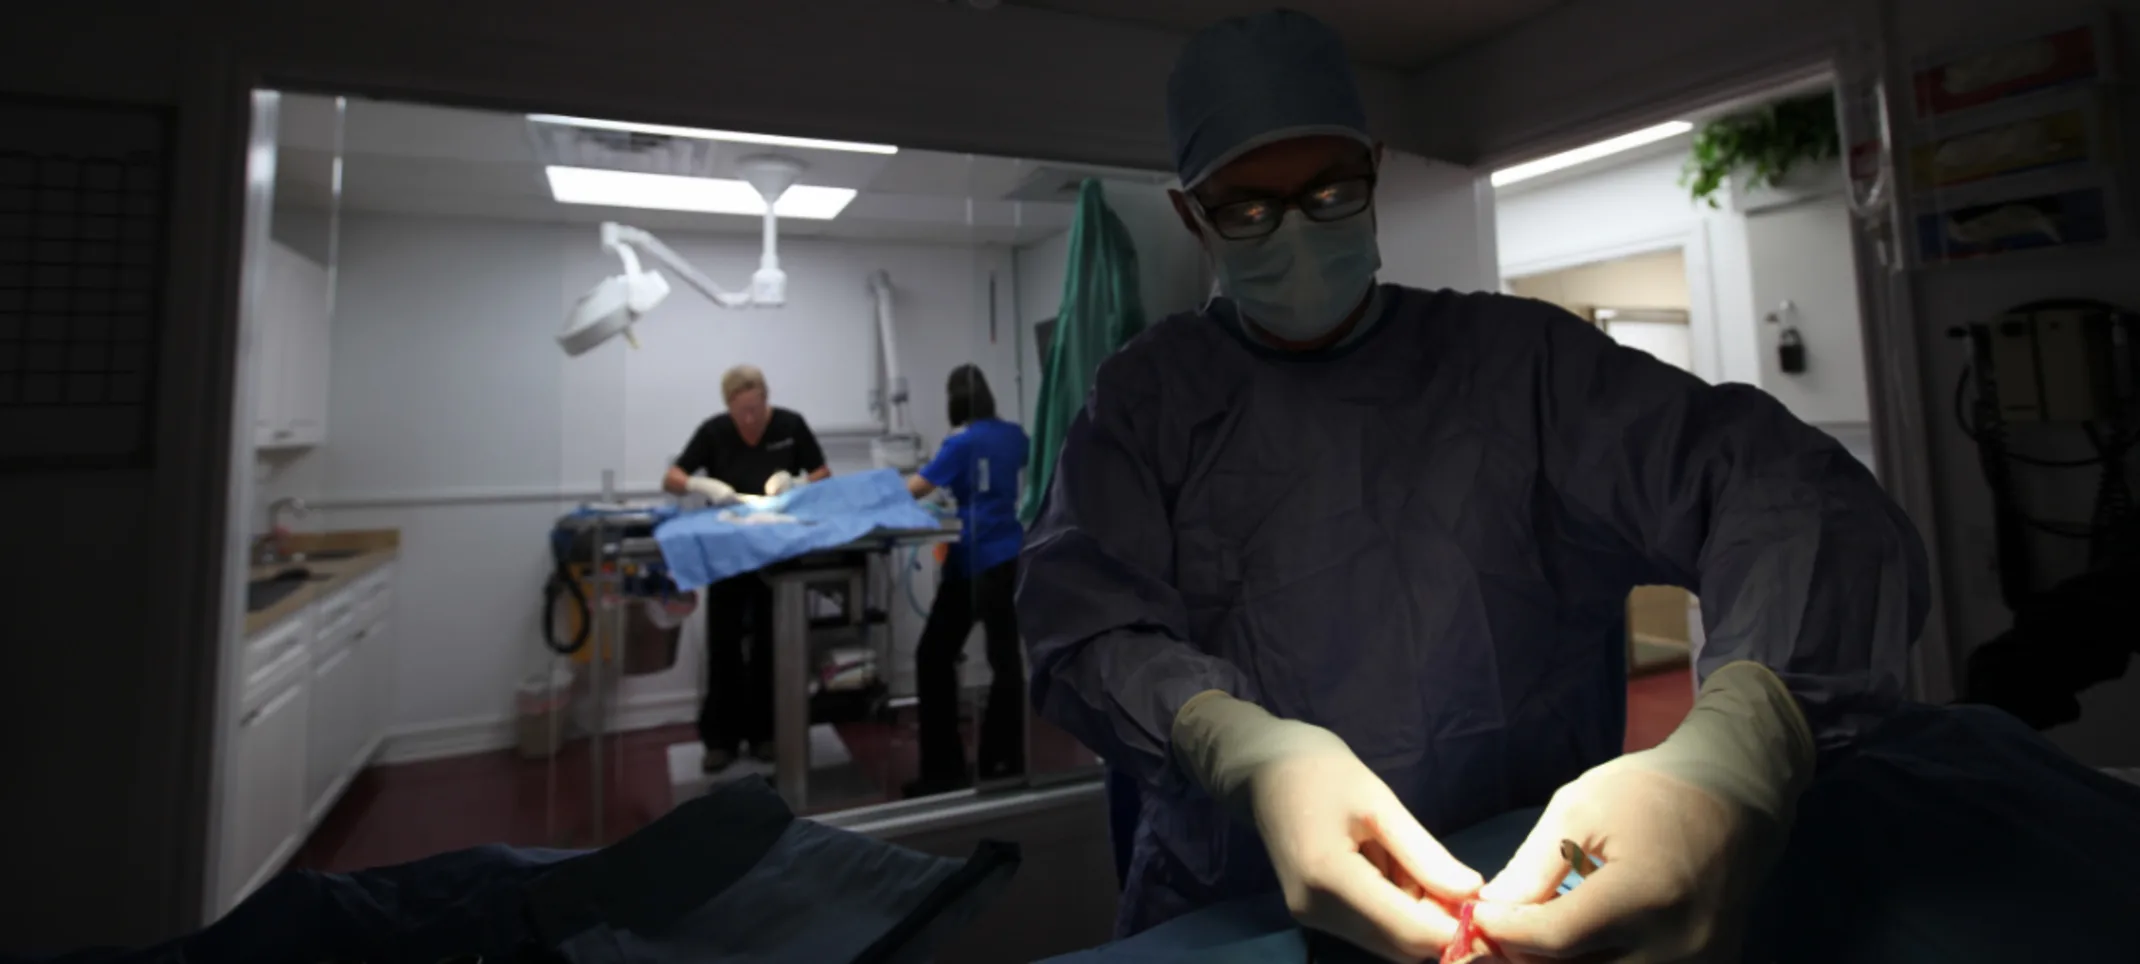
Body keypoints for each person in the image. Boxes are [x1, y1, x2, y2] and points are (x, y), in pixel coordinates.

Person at [1016, 9, 1930, 963]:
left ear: (1373, 170)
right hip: (1242, 913)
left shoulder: (1524, 368)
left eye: (1330, 192)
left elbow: (1793, 495)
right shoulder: (1148, 402)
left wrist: (1738, 748)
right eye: (1248, 210)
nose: (1294, 234)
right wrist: (1240, 748)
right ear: (1189, 215)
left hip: (1532, 895)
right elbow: (1083, 623)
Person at [663, 364, 830, 771]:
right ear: (729, 408)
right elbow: (672, 477)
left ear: (766, 399)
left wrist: (797, 485)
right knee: (724, 643)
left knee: (772, 642)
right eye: (742, 412)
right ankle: (720, 740)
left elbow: (822, 472)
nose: (750, 419)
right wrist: (703, 486)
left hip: (777, 549)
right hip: (730, 552)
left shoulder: (791, 425)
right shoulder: (714, 431)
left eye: (756, 409)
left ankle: (767, 735)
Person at [903, 364, 1031, 799]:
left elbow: (914, 489)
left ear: (954, 401)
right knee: (1006, 662)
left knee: (932, 658)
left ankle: (944, 772)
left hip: (973, 562)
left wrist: (869, 493)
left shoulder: (961, 443)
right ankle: (1004, 762)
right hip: (1011, 558)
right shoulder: (1016, 436)